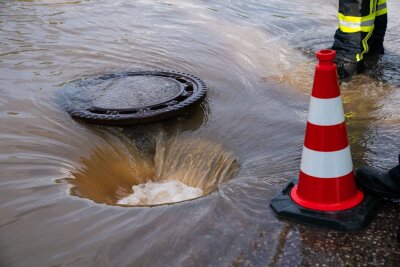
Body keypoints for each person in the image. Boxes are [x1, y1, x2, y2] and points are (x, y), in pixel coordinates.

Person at [332, 0, 388, 81]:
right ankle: (370, 55)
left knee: (348, 56)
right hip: (371, 44)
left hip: (351, 53)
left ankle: (347, 58)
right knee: (377, 4)